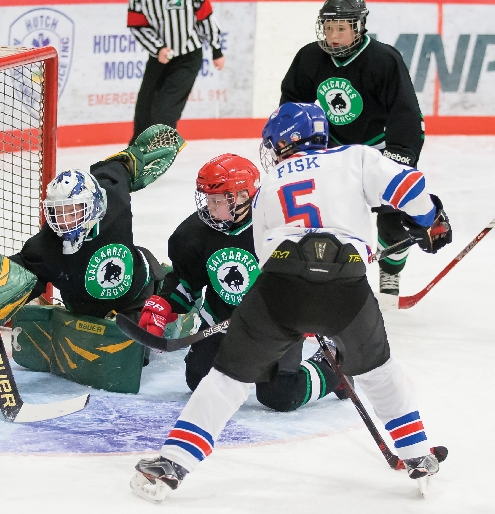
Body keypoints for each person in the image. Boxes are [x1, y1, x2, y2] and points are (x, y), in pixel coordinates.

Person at [129, 103, 451, 503]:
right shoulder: (357, 157)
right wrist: (430, 221)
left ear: (288, 142)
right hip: (345, 286)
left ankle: (173, 462)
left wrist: (302, 298)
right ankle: (417, 455)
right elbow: (412, 190)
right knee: (378, 372)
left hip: (280, 292)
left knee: (227, 380)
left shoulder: (270, 183)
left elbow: (266, 255)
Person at [138, 153, 344, 412]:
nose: (210, 208)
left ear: (244, 197)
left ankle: (331, 364)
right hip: (221, 321)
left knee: (280, 394)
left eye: (218, 200)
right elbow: (186, 280)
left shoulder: (279, 227)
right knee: (200, 381)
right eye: (208, 200)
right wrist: (164, 304)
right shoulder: (194, 233)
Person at [0, 124, 185, 331]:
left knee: (131, 356)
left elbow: (119, 167)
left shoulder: (112, 196)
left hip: (134, 296)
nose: (64, 220)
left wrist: (135, 159)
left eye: (73, 210)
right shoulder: (47, 244)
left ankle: (163, 284)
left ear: (93, 205)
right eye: (57, 211)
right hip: (83, 309)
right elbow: (24, 270)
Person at [279, 0, 424, 296]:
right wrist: (290, 140)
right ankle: (329, 272)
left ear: (358, 27)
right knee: (328, 215)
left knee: (393, 220)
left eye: (341, 29)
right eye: (329, 27)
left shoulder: (384, 59)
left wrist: (401, 156)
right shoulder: (310, 57)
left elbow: (405, 112)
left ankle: (391, 271)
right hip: (335, 150)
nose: (333, 36)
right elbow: (293, 102)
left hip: (379, 150)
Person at [127, 0, 225, 145]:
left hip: (188, 57)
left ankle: (160, 156)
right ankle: (134, 157)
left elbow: (206, 18)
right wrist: (158, 48)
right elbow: (137, 25)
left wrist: (216, 50)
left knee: (164, 110)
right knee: (144, 109)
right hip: (159, 58)